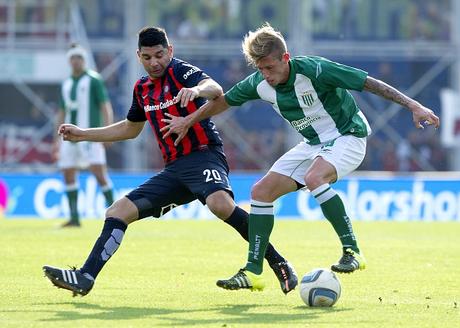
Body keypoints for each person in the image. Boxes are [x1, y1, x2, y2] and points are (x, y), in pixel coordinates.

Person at [161, 23, 440, 291]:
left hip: (348, 135)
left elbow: (368, 83)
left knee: (314, 177)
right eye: (260, 68)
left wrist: (413, 105)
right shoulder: (259, 82)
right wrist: (188, 121)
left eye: (270, 67)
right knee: (261, 192)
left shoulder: (316, 69)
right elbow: (222, 101)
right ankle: (253, 272)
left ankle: (352, 251)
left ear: (285, 57)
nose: (266, 74)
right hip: (313, 144)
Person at [43, 26, 297, 296]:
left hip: (203, 155)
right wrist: (83, 135)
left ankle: (279, 263)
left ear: (170, 51)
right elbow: (130, 128)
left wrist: (196, 90)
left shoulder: (180, 72)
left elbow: (215, 89)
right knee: (117, 212)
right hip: (175, 170)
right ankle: (85, 277)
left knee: (220, 204)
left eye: (160, 55)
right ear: (138, 56)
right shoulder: (142, 88)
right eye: (148, 57)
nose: (155, 62)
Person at [52, 44, 115, 227]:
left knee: (99, 173)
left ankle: (117, 215)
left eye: (79, 57)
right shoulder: (66, 84)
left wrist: (107, 132)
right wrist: (57, 139)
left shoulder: (94, 80)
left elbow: (105, 106)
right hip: (68, 139)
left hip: (90, 136)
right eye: (73, 57)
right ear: (69, 60)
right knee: (68, 172)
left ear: (84, 60)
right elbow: (62, 112)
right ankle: (74, 218)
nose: (76, 60)